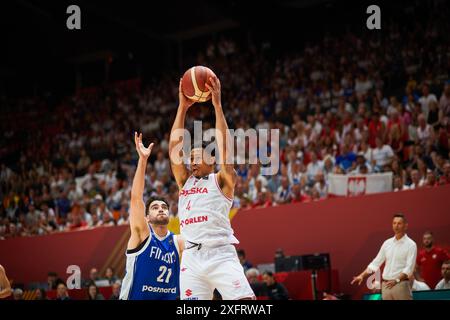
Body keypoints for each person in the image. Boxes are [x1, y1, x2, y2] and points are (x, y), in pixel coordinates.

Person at [169, 76, 255, 300]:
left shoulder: (222, 179)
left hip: (220, 253)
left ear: (212, 160)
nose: (192, 162)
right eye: (191, 158)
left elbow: (225, 147)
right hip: (190, 258)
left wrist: (217, 105)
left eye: (198, 157)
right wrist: (182, 107)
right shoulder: (185, 181)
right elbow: (174, 150)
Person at [119, 132, 183, 300]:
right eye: (155, 207)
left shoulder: (178, 243)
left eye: (164, 207)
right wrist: (143, 160)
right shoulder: (142, 236)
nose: (161, 209)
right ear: (146, 217)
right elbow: (136, 199)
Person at [351, 213, 417, 300]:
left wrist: (396, 280)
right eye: (394, 223)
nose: (396, 226)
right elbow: (376, 263)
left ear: (405, 226)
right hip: (386, 286)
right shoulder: (387, 243)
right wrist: (362, 275)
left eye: (399, 223)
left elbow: (409, 269)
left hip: (400, 285)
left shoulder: (411, 245)